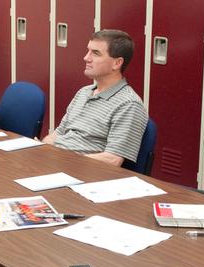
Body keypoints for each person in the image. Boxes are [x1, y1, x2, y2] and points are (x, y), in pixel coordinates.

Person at [42, 30, 147, 167]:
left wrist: (65, 160)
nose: (86, 58)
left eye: (95, 53)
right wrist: (42, 150)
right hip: (56, 162)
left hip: (82, 172)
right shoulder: (83, 92)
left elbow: (113, 159)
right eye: (88, 51)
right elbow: (57, 134)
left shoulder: (129, 104)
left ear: (117, 63)